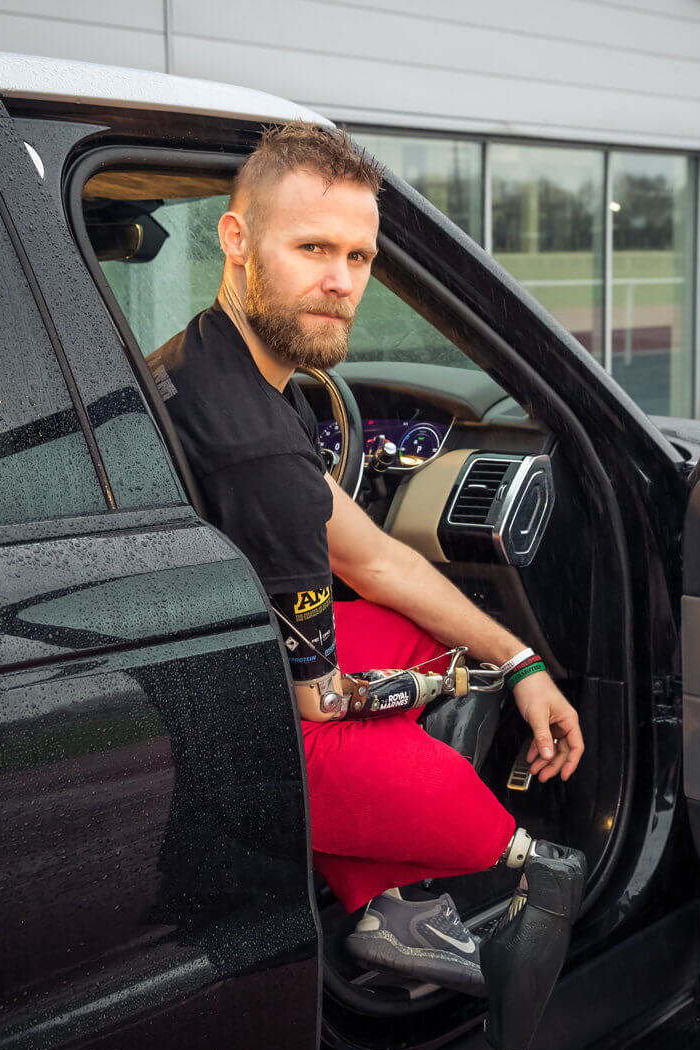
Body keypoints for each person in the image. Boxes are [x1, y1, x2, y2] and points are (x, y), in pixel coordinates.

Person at [149, 121, 585, 995]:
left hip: (200, 668)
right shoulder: (258, 456)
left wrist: (520, 659)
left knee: (412, 631)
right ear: (235, 241)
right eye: (312, 247)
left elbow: (377, 556)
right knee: (486, 823)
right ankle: (451, 872)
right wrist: (462, 691)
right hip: (219, 742)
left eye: (359, 255)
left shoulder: (222, 361)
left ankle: (385, 900)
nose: (341, 281)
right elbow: (315, 707)